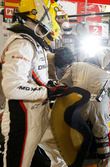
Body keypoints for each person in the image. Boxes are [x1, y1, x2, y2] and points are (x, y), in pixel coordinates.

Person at [0, 1, 68, 166]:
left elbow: (35, 76)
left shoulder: (33, 42)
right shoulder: (22, 43)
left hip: (37, 115)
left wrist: (51, 85)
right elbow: (12, 87)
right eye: (54, 17)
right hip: (22, 119)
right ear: (39, 14)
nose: (55, 22)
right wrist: (47, 92)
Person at [56, 51, 110, 167]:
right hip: (99, 105)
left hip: (79, 103)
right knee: (102, 136)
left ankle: (70, 161)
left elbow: (62, 84)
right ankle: (105, 163)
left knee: (73, 132)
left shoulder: (76, 65)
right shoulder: (107, 75)